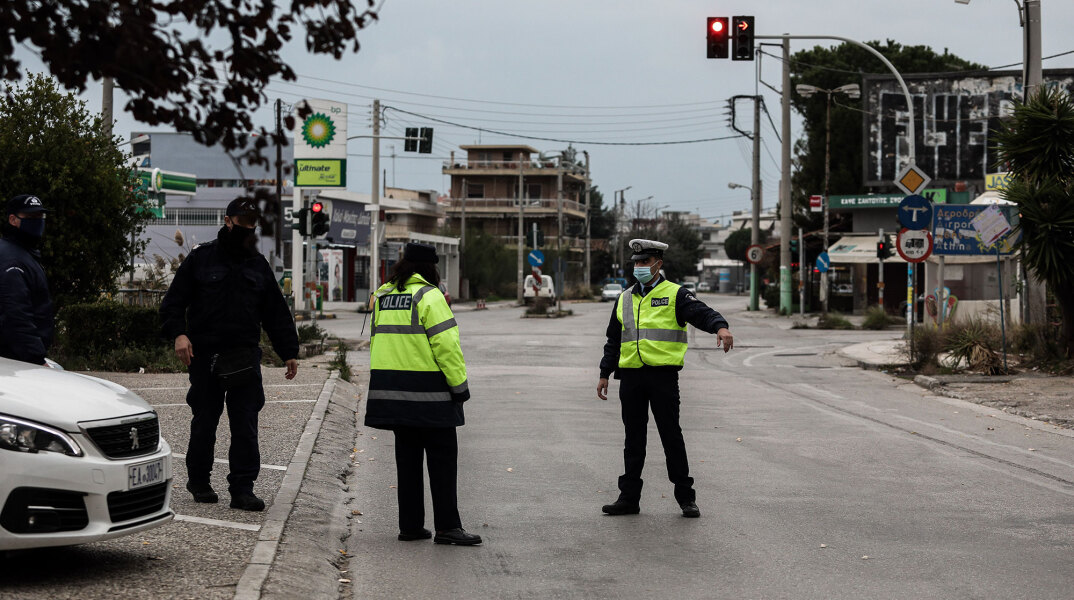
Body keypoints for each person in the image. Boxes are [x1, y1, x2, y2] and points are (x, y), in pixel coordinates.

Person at [159, 197, 299, 511]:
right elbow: (173, 303)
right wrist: (179, 335)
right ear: (228, 221)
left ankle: (242, 489)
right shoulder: (202, 259)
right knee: (205, 422)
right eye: (243, 221)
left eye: (252, 223)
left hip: (245, 358)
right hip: (206, 357)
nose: (247, 227)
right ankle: (199, 480)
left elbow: (276, 312)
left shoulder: (258, 265)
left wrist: (289, 351)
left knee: (245, 424)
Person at [596, 238, 734, 518]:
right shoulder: (624, 298)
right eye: (636, 263)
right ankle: (629, 499)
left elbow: (702, 313)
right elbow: (614, 339)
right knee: (633, 439)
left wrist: (720, 327)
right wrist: (604, 373)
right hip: (631, 377)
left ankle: (686, 497)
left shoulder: (676, 294)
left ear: (658, 264)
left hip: (662, 378)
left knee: (671, 436)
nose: (639, 267)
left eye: (644, 262)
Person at [365, 242, 481, 546]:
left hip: (393, 394)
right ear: (431, 268)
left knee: (408, 462)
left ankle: (411, 526)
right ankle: (447, 527)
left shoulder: (383, 295)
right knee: (442, 462)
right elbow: (447, 346)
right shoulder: (429, 296)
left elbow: (378, 341)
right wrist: (459, 388)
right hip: (431, 395)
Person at [0, 194, 53, 366]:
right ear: (13, 219)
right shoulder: (13, 260)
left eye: (40, 216)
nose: (37, 221)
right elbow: (16, 315)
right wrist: (35, 358)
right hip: (17, 362)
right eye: (30, 217)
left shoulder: (22, 254)